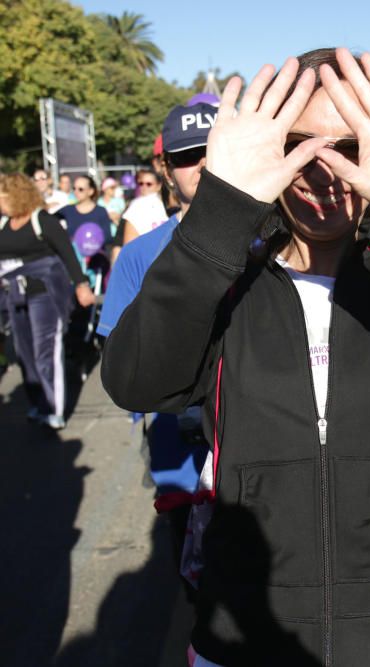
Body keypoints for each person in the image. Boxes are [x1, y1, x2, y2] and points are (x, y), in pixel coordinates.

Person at [100, 49, 370, 666]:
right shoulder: (225, 283)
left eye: (350, 146)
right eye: (301, 146)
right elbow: (135, 380)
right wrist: (222, 210)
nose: (327, 168)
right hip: (246, 629)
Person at [97, 101, 218, 593]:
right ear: (166, 170)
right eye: (188, 156)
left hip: (269, 466)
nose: (204, 165)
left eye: (213, 150)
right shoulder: (140, 255)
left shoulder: (276, 243)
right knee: (202, 600)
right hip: (182, 463)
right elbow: (122, 365)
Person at [0, 174, 96, 430]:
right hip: (14, 297)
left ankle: (55, 408)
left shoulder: (42, 221)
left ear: (17, 195)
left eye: (3, 197)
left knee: (46, 352)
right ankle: (39, 402)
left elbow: (67, 254)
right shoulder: (3, 224)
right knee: (24, 353)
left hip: (44, 295)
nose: (1, 202)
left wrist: (81, 285)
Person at [56, 175, 114, 245]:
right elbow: (48, 220)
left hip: (95, 254)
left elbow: (107, 237)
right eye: (74, 188)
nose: (76, 192)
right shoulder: (68, 210)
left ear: (91, 191)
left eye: (80, 189)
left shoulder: (101, 211)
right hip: (72, 255)